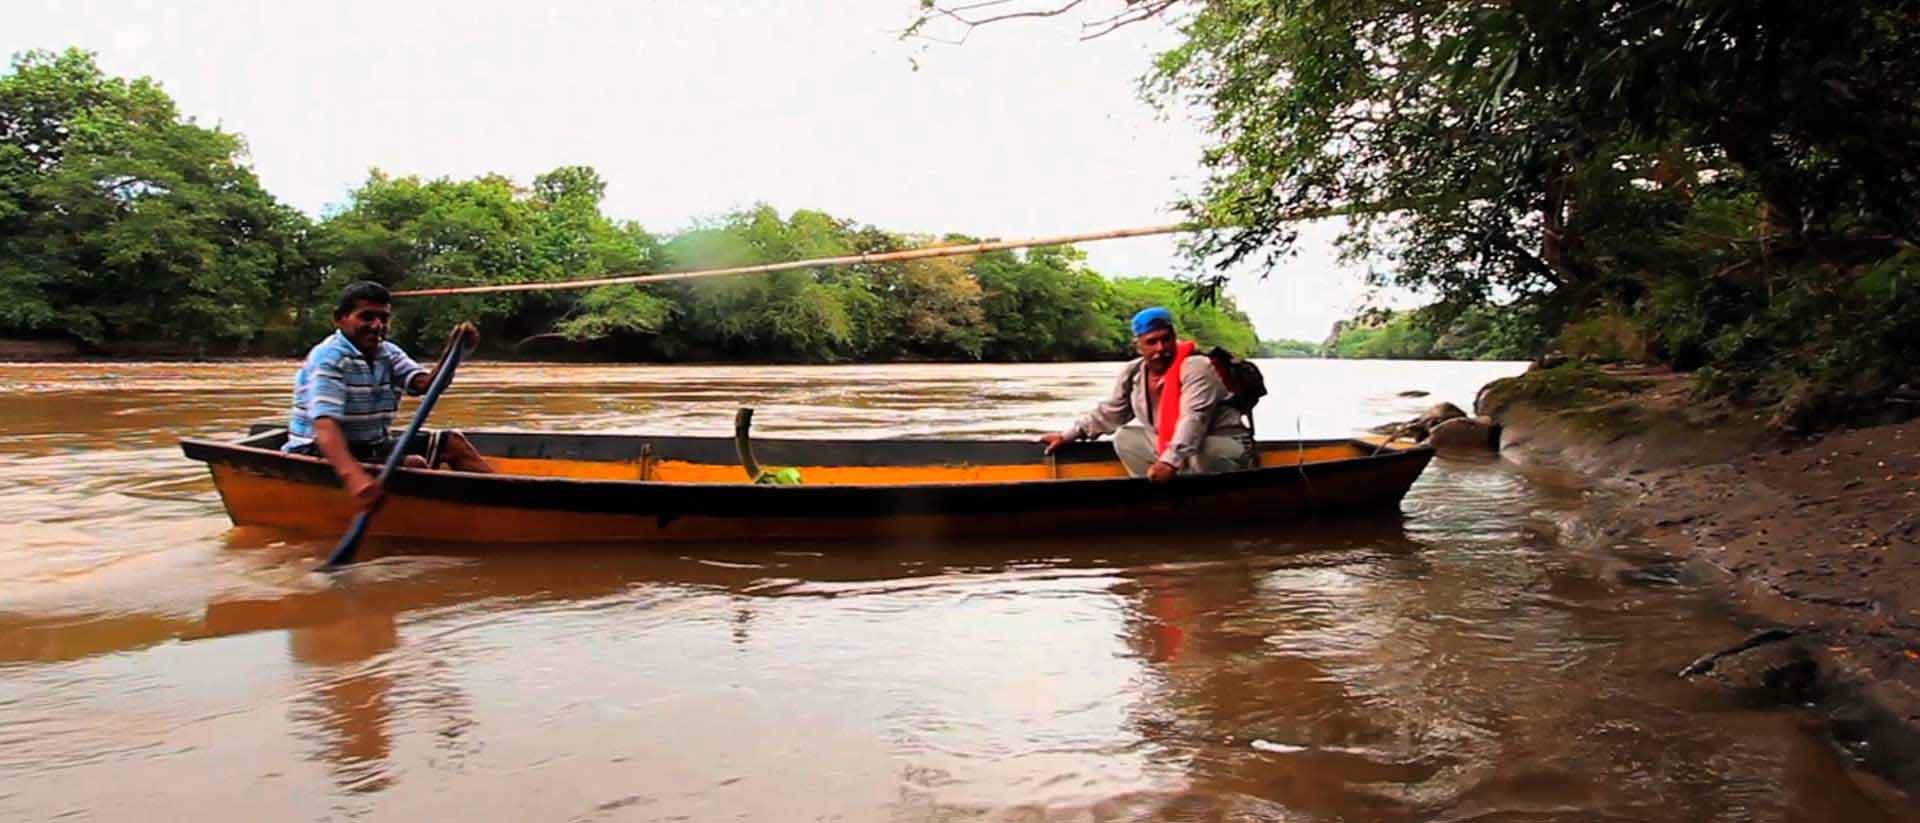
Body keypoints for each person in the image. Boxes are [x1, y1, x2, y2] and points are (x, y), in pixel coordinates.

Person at [284, 281, 494, 510]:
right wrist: (354, 477)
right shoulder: (329, 359)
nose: (377, 326)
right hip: (319, 451)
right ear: (340, 319)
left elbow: (426, 385)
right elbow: (325, 426)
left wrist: (454, 354)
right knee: (414, 464)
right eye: (367, 317)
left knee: (452, 443)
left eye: (383, 318)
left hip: (370, 445)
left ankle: (505, 499)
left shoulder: (387, 352)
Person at [1041, 306, 1254, 482]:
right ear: (1138, 346)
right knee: (1125, 437)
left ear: (1174, 338)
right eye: (1151, 342)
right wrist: (1067, 436)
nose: (1160, 348)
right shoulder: (1133, 372)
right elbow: (1110, 414)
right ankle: (1158, 495)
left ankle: (1196, 496)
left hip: (1222, 444)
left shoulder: (1197, 367)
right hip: (1175, 447)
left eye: (1166, 339)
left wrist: (1169, 461)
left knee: (1198, 454)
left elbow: (1194, 420)